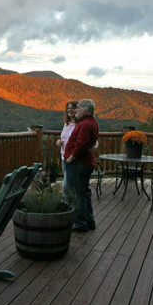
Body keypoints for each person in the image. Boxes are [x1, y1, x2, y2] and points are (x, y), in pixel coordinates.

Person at [63, 99, 99, 232]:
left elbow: (81, 144)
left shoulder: (85, 124)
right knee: (83, 192)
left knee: (77, 194)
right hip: (84, 163)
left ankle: (80, 223)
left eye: (78, 108)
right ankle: (89, 221)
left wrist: (70, 158)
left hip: (78, 164)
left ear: (84, 110)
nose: (76, 110)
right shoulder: (91, 122)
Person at [56, 101, 78, 198]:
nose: (70, 110)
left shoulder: (79, 125)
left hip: (72, 158)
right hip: (63, 156)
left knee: (66, 185)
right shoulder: (67, 124)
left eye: (72, 108)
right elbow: (63, 137)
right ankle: (71, 205)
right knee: (69, 184)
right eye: (68, 108)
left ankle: (69, 207)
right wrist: (59, 141)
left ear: (78, 110)